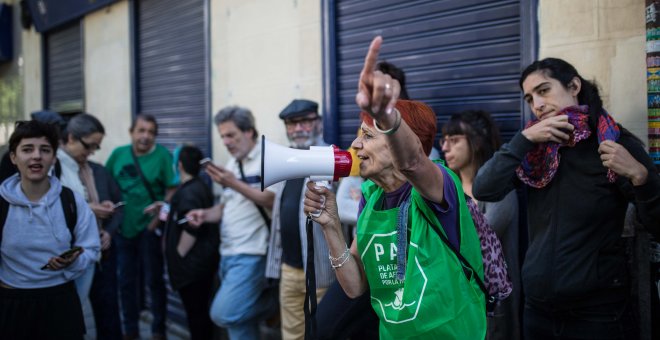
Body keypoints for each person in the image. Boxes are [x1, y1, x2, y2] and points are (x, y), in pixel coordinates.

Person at [303, 36, 486, 338]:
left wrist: (386, 117)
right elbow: (355, 286)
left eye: (368, 136)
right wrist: (331, 226)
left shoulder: (441, 185)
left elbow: (413, 162)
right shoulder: (371, 197)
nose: (354, 145)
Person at [472, 57, 660, 339]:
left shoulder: (612, 143)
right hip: (537, 312)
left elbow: (656, 223)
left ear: (573, 86)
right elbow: (484, 188)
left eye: (544, 90)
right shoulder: (534, 153)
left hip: (597, 315)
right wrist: (524, 139)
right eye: (529, 98)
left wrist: (640, 177)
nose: (537, 104)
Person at [0, 120, 100, 339]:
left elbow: (92, 248)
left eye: (45, 150)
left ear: (53, 158)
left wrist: (73, 261)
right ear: (14, 157)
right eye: (27, 149)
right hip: (11, 304)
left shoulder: (72, 201)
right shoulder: (1, 202)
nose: (37, 156)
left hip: (61, 304)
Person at [187, 106, 277, 340]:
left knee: (224, 314)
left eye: (231, 135)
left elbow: (271, 200)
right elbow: (227, 206)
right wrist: (204, 214)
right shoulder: (232, 163)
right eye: (222, 136)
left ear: (249, 132)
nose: (226, 142)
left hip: (252, 252)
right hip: (227, 252)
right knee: (238, 327)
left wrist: (233, 183)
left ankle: (279, 304)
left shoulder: (268, 158)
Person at [441, 110, 521, 340]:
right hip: (454, 303)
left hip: (492, 308)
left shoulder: (500, 190)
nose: (445, 148)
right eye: (444, 141)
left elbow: (472, 241)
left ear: (476, 142)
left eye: (454, 141)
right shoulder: (449, 188)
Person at [264, 99, 337, 339]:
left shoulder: (332, 157)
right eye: (291, 124)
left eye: (304, 121)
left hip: (322, 272)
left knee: (322, 334)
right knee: (292, 334)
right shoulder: (286, 159)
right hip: (290, 269)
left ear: (318, 123)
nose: (298, 129)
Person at [105, 114, 177, 340]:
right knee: (126, 282)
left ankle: (158, 331)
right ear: (132, 132)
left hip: (149, 230)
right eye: (141, 130)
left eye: (151, 132)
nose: (146, 136)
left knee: (154, 281)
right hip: (122, 230)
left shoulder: (163, 156)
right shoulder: (118, 154)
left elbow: (172, 190)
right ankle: (131, 329)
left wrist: (157, 220)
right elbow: (107, 183)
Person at [58, 113, 123, 339]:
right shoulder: (55, 167)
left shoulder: (94, 168)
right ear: (70, 138)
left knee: (105, 311)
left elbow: (117, 203)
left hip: (97, 252)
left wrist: (107, 226)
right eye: (90, 145)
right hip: (71, 253)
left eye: (96, 147)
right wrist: (90, 209)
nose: (92, 151)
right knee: (68, 316)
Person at [163, 145, 218, 340]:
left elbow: (191, 227)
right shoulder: (197, 187)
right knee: (199, 315)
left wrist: (178, 254)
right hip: (197, 266)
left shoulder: (190, 191)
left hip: (192, 269)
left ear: (179, 165)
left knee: (197, 317)